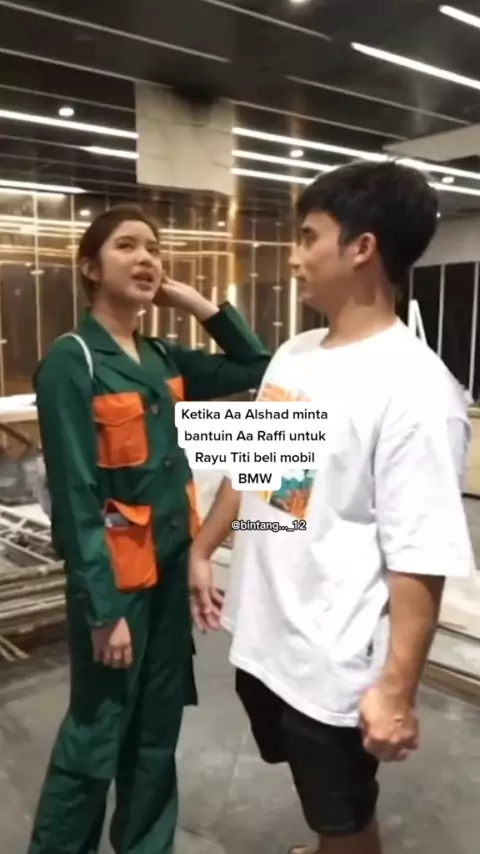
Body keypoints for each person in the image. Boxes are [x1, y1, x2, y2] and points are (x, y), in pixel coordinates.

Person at [189, 161, 475, 854]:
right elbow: (255, 466)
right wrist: (202, 549)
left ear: (361, 248)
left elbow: (420, 558)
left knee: (343, 816)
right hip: (262, 637)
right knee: (325, 809)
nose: (294, 256)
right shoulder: (294, 353)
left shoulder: (416, 390)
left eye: (308, 236)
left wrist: (397, 690)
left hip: (331, 661)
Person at [27, 205, 271, 854]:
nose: (146, 259)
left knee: (156, 734)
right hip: (116, 586)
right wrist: (103, 612)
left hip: (168, 580)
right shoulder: (73, 361)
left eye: (155, 249)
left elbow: (257, 365)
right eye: (127, 246)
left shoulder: (163, 357)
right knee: (97, 734)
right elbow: (76, 500)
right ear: (90, 267)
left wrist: (194, 302)